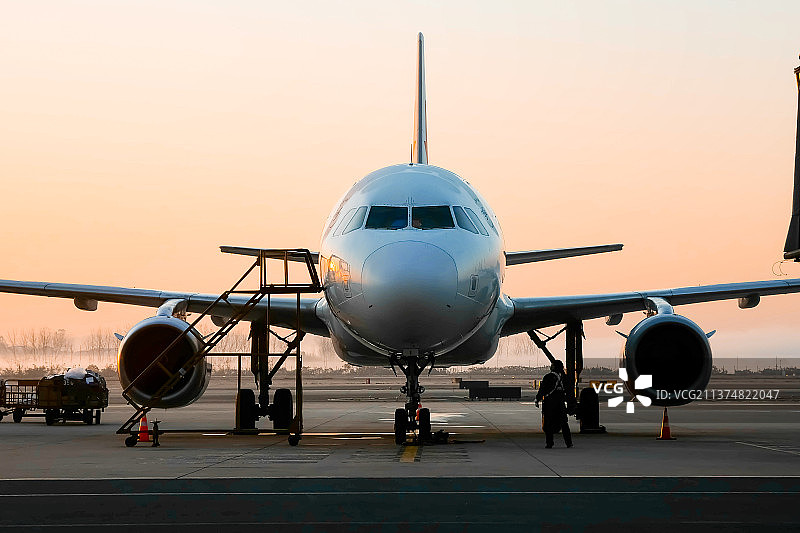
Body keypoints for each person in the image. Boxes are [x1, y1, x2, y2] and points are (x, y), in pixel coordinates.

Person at [535, 360, 573, 449]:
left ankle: (549, 443)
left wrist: (537, 399)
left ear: (554, 367)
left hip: (549, 403)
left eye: (552, 365)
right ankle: (569, 443)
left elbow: (543, 389)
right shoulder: (564, 378)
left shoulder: (548, 377)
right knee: (564, 423)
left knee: (548, 423)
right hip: (560, 403)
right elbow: (569, 391)